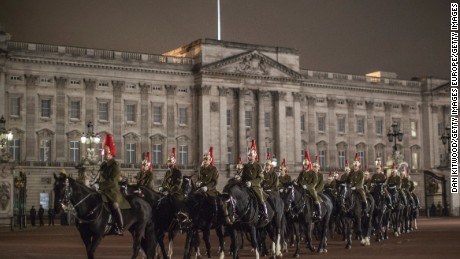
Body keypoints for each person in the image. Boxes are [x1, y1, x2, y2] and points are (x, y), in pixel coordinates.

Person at [97, 134, 130, 235]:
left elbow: (113, 180)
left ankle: (120, 226)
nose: (104, 155)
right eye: (104, 152)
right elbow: (99, 177)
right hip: (102, 190)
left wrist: (100, 185)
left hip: (112, 190)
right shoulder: (103, 165)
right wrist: (95, 184)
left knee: (114, 204)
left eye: (106, 153)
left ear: (111, 153)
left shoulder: (115, 165)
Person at [159, 148, 189, 223]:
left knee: (174, 200)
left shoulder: (178, 172)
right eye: (168, 161)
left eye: (170, 161)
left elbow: (177, 185)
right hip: (167, 192)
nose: (168, 163)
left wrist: (169, 191)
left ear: (174, 162)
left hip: (176, 192)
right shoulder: (167, 172)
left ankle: (182, 215)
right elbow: (164, 182)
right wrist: (161, 188)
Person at [242, 139, 268, 224]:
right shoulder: (246, 166)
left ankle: (265, 213)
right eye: (248, 155)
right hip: (246, 186)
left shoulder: (258, 166)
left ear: (254, 156)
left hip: (256, 186)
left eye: (250, 155)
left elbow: (260, 178)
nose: (249, 157)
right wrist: (242, 181)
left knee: (260, 198)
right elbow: (244, 177)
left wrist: (252, 183)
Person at [297, 150, 321, 219]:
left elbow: (314, 183)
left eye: (306, 165)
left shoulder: (313, 173)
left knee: (315, 198)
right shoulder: (302, 172)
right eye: (304, 165)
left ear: (308, 165)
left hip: (310, 189)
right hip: (301, 188)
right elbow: (298, 180)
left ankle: (318, 212)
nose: (305, 166)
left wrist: (307, 186)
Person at [196, 147, 220, 214]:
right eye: (204, 159)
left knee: (213, 203)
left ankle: (215, 216)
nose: (205, 160)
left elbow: (214, 182)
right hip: (200, 189)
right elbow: (198, 178)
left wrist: (207, 187)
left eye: (206, 159)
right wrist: (197, 183)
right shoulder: (200, 169)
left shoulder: (213, 169)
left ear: (210, 160)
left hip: (210, 191)